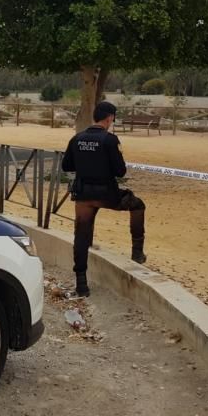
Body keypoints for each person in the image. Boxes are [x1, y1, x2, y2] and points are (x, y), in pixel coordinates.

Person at [61, 101, 146, 297]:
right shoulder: (110, 140)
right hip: (107, 194)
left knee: (81, 236)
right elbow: (120, 171)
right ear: (109, 118)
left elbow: (67, 166)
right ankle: (137, 252)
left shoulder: (77, 138)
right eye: (112, 119)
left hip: (83, 195)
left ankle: (81, 285)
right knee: (138, 206)